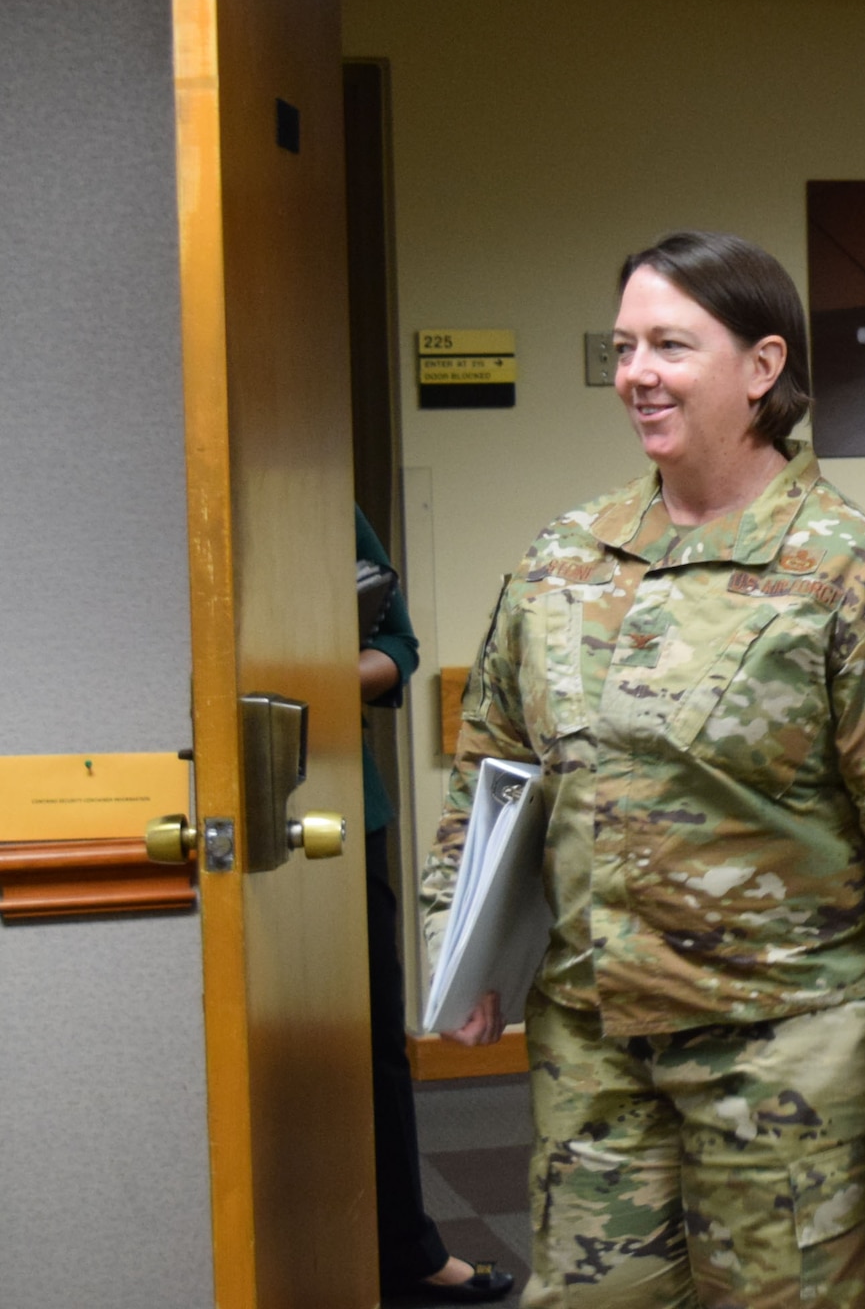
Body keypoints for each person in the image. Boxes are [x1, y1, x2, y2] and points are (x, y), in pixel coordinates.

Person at [423, 230, 865, 1309]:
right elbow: (491, 771)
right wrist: (459, 954)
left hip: (788, 1057)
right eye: (625, 346)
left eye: (671, 345)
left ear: (761, 366)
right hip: (594, 1054)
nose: (638, 373)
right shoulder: (563, 556)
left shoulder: (851, 575)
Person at [357, 506, 515, 1304]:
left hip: (339, 810)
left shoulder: (321, 500)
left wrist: (316, 672)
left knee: (375, 1045)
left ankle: (405, 1248)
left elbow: (397, 646)